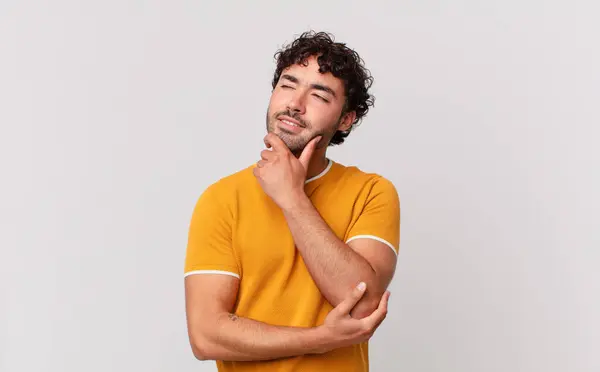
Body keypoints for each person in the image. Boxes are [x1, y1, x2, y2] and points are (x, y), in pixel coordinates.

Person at [183, 30, 401, 371]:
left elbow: (361, 306)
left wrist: (292, 198)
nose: (295, 104)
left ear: (346, 118)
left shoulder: (371, 192)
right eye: (287, 84)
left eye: (319, 95)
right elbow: (205, 336)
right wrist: (320, 338)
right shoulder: (221, 199)